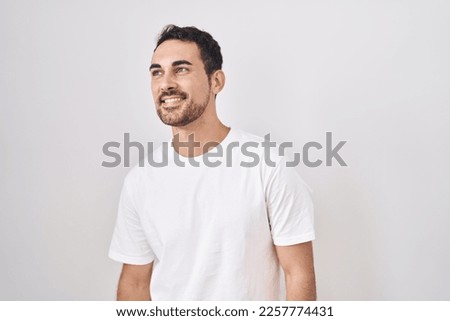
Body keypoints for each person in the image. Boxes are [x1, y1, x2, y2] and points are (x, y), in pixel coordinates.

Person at [108, 24, 316, 300]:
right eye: (157, 72)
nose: (166, 82)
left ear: (216, 81)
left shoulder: (266, 166)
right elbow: (134, 283)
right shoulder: (140, 180)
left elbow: (298, 274)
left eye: (181, 69)